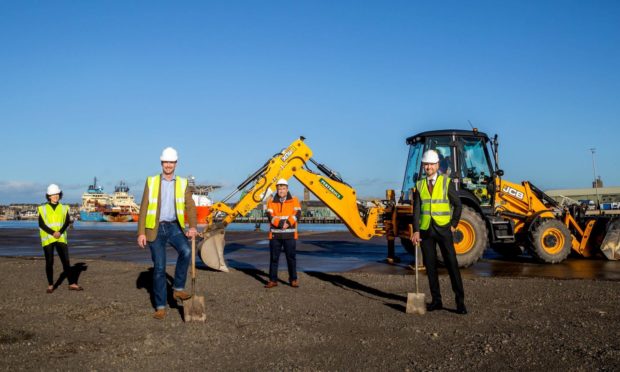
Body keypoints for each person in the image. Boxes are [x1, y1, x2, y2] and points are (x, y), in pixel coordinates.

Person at [137, 147, 198, 320]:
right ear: (161, 163)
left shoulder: (183, 183)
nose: (169, 165)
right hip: (155, 229)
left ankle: (178, 289)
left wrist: (192, 226)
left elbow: (190, 206)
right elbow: (143, 208)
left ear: (176, 164)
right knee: (160, 268)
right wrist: (140, 232)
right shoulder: (151, 181)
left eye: (171, 162)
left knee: (186, 251)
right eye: (166, 162)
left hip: (174, 227)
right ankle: (160, 306)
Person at [411, 149, 467, 315]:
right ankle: (436, 301)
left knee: (452, 265)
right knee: (430, 267)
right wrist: (416, 230)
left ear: (437, 165)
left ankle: (460, 303)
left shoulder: (445, 182)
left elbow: (458, 204)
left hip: (443, 229)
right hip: (426, 230)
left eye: (431, 164)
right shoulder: (420, 185)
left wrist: (454, 223)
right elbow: (417, 210)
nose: (428, 167)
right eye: (426, 164)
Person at [38, 184, 83, 293]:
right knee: (49, 262)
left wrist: (59, 232)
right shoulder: (42, 208)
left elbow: (67, 221)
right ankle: (50, 285)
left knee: (66, 262)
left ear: (59, 195)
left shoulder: (64, 208)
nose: (55, 196)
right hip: (48, 238)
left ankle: (72, 283)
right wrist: (53, 233)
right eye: (53, 194)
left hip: (61, 237)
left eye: (57, 194)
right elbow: (41, 224)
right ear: (49, 196)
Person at [264, 178, 302, 288]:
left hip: (290, 235)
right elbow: (270, 215)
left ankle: (293, 279)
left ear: (287, 189)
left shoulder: (294, 199)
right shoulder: (271, 201)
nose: (281, 191)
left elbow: (297, 213)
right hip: (275, 235)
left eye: (283, 188)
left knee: (291, 258)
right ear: (277, 189)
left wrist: (288, 223)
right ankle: (273, 280)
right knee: (274, 258)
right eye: (279, 189)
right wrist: (281, 224)